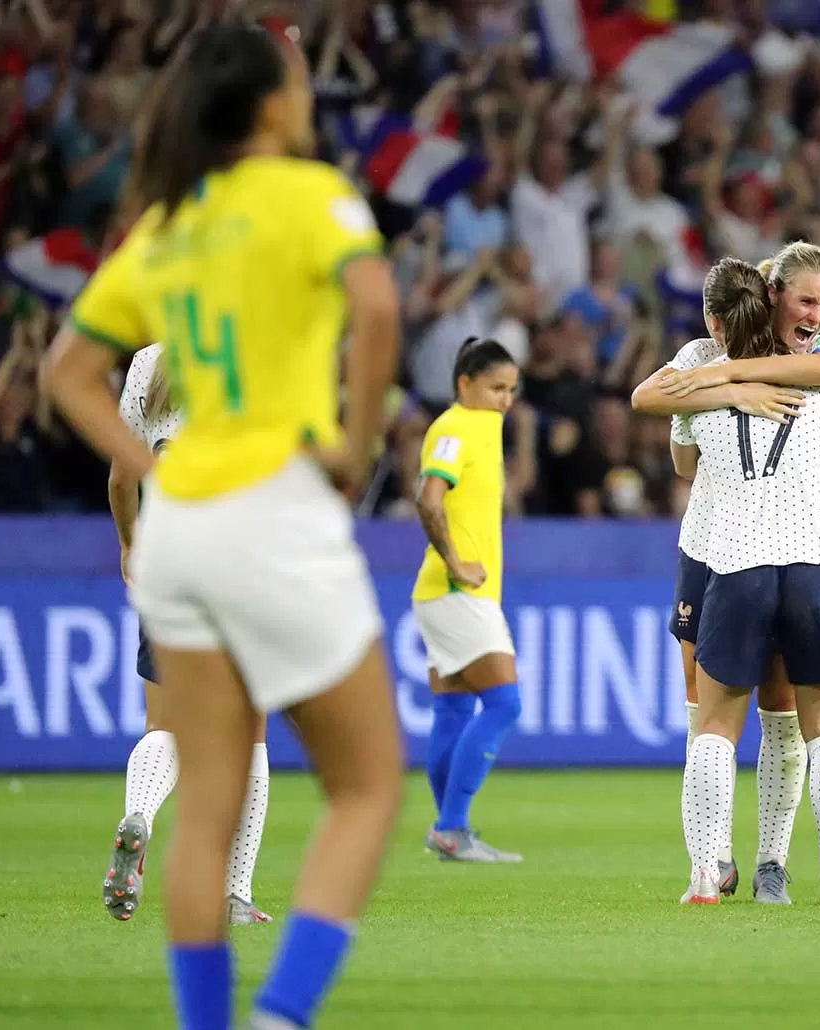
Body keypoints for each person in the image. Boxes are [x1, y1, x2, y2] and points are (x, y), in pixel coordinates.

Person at [46, 23, 404, 1030]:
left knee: (204, 802)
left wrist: (150, 469)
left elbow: (63, 373)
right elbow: (376, 311)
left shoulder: (164, 226)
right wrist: (356, 448)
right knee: (367, 786)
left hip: (180, 529)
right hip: (277, 506)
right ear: (274, 105)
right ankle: (281, 1012)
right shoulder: (311, 193)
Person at [631, 241, 820, 903]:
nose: (816, 313)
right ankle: (772, 870)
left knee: (723, 720)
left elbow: (679, 452)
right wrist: (745, 386)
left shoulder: (718, 360)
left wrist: (730, 383)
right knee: (798, 722)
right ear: (773, 292)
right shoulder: (744, 359)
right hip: (737, 550)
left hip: (728, 554)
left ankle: (752, 868)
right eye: (806, 300)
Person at [104, 343, 271, 927]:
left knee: (164, 723)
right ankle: (235, 891)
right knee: (249, 732)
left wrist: (130, 543)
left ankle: (139, 817)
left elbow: (123, 474)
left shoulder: (149, 363)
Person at [413, 337, 524, 863]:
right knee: (505, 702)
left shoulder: (482, 425)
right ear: (465, 384)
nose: (506, 399)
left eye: (512, 390)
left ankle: (451, 831)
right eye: (496, 387)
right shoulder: (458, 426)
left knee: (453, 709)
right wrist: (457, 562)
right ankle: (451, 826)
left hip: (442, 593)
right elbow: (428, 498)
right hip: (457, 590)